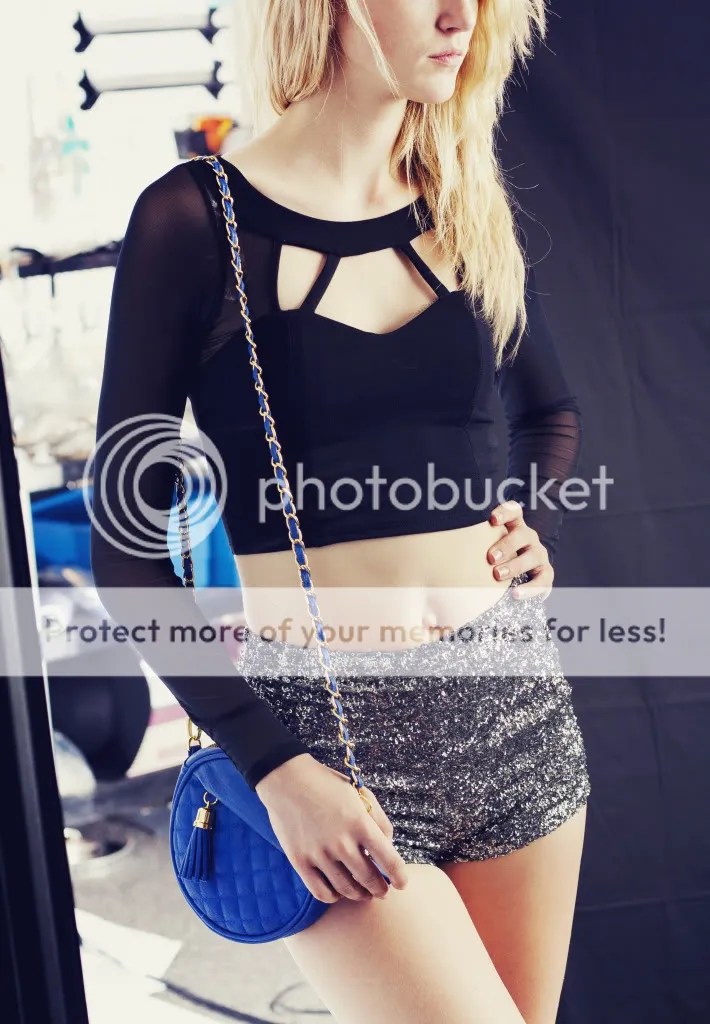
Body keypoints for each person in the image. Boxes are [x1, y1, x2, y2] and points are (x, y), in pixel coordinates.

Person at [90, 2, 592, 1021]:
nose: (458, 17)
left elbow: (551, 414)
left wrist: (521, 521)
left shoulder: (460, 201)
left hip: (514, 707)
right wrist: (274, 768)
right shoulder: (195, 220)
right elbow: (124, 552)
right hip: (324, 741)